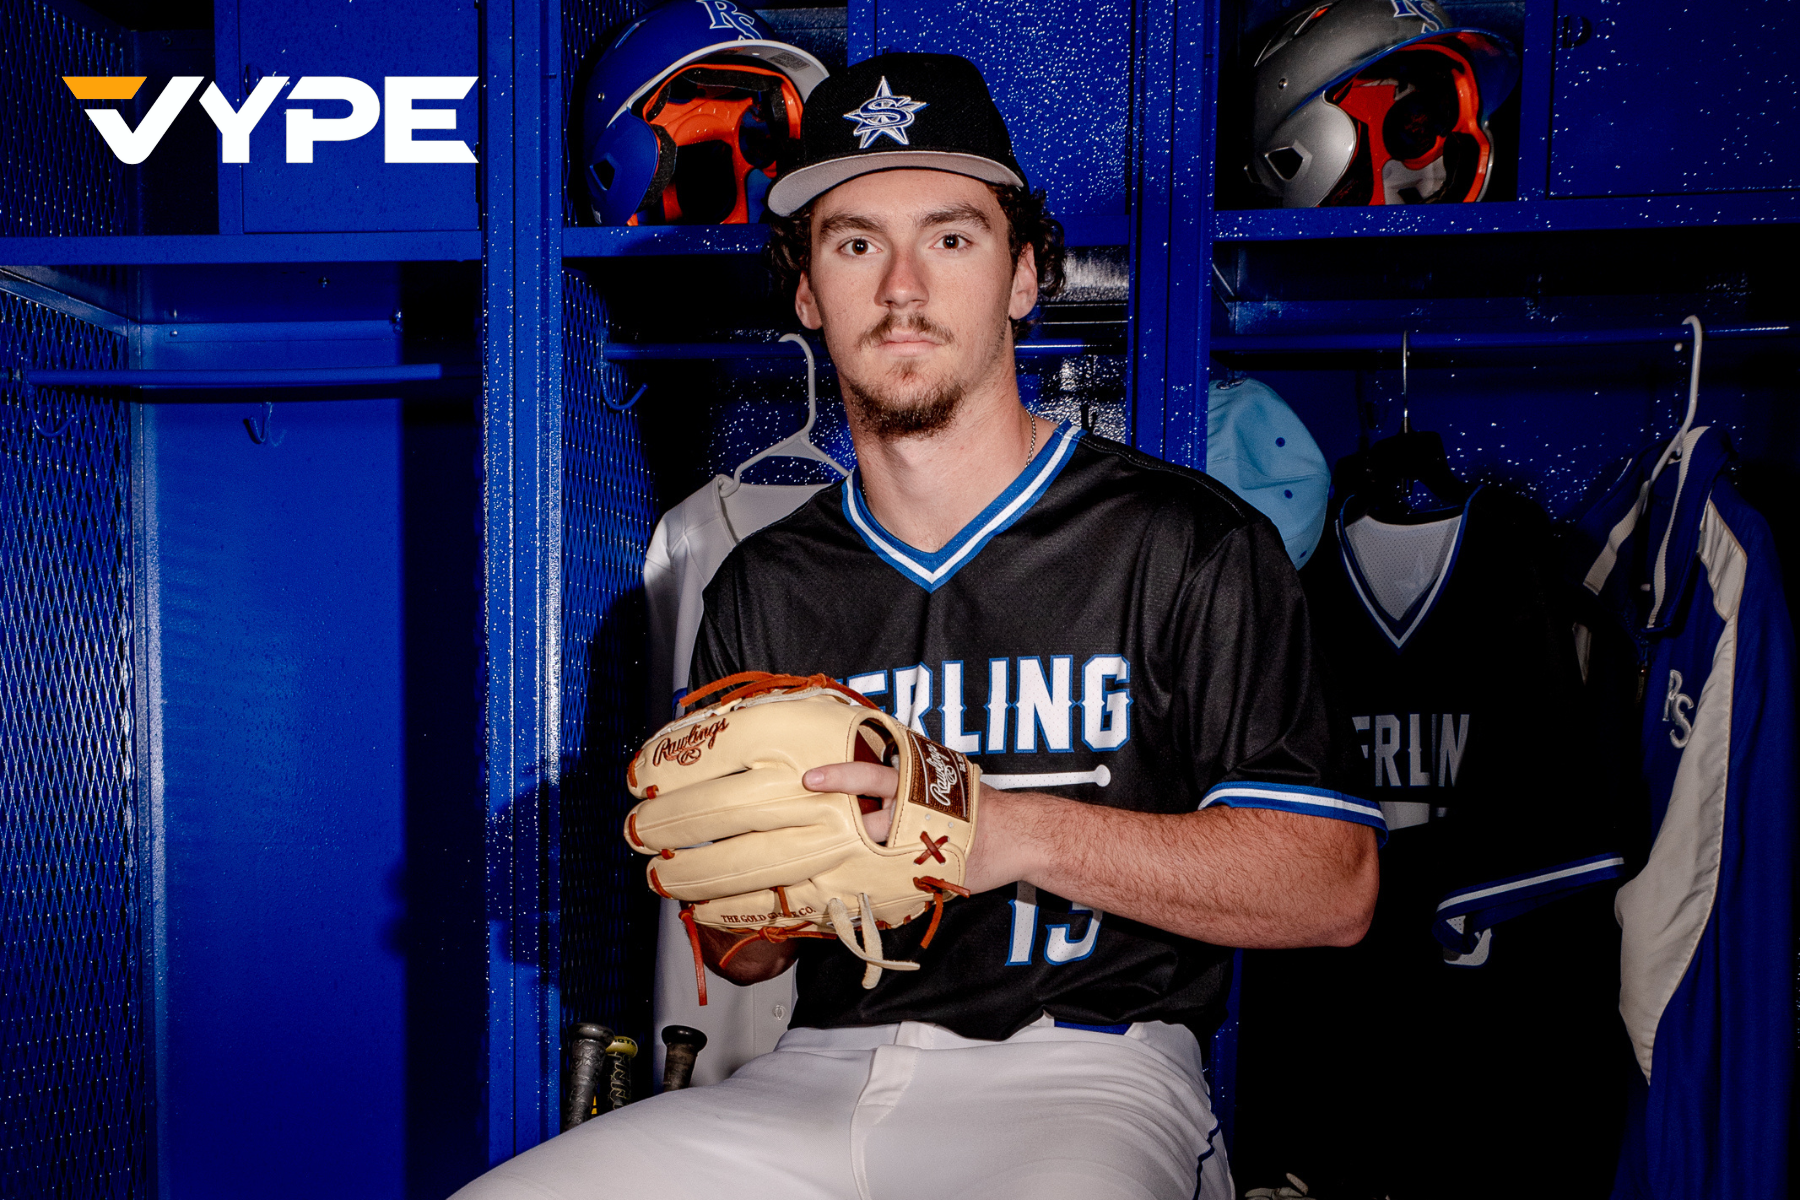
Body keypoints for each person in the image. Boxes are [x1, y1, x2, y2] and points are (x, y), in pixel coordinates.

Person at [453, 51, 1380, 1200]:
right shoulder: (764, 581)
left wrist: (1002, 831)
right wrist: (734, 896)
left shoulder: (1187, 542)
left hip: (1086, 1075)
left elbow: (1333, 888)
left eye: (951, 237)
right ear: (806, 293)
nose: (902, 288)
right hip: (810, 1073)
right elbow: (756, 956)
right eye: (854, 243)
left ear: (1023, 275)